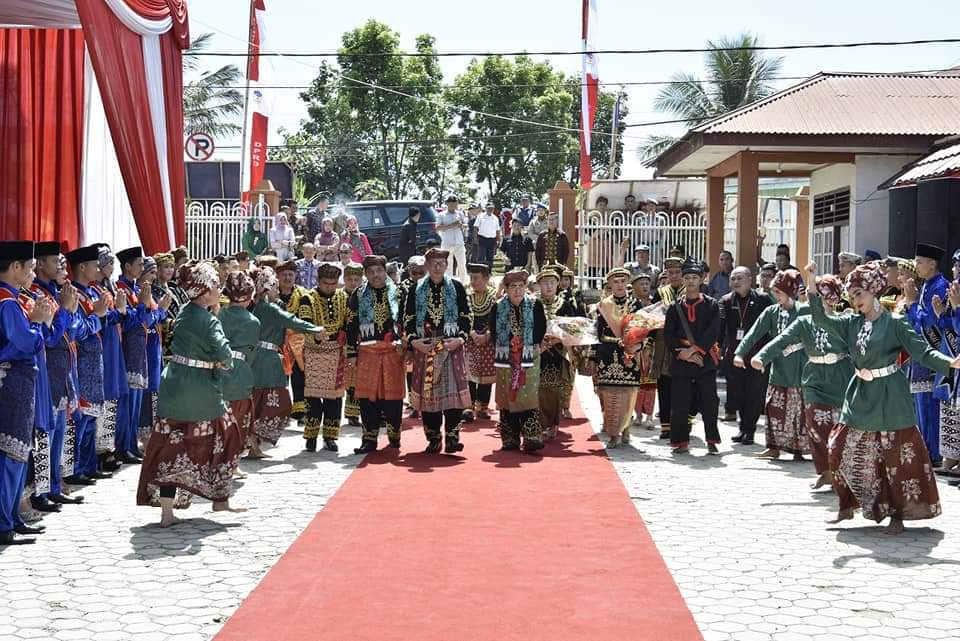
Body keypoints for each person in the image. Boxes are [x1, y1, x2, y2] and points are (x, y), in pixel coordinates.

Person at [804, 260, 959, 534]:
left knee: (895, 459)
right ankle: (846, 506)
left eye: (859, 295)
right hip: (860, 395)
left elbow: (922, 352)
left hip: (890, 396)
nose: (854, 301)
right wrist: (812, 281)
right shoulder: (851, 323)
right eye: (851, 297)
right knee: (838, 447)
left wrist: (950, 363)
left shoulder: (895, 323)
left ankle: (897, 513)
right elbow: (820, 319)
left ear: (874, 292)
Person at [136, 262, 245, 527]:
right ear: (205, 292)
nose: (220, 290)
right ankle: (220, 500)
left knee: (169, 448)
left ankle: (166, 513)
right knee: (228, 437)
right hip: (201, 391)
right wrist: (225, 362)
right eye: (216, 286)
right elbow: (224, 355)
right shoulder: (209, 321)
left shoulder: (184, 312)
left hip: (173, 386)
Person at [754, 274, 854, 488]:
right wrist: (761, 357)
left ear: (833, 298)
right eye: (815, 295)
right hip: (814, 379)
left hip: (839, 377)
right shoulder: (803, 322)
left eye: (823, 295)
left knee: (839, 427)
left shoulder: (845, 320)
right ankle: (825, 471)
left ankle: (841, 471)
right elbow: (781, 340)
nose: (816, 300)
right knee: (815, 423)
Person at [0, 241, 57, 545]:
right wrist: (38, 324)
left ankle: (12, 518)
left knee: (19, 452)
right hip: (12, 383)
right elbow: (23, 343)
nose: (33, 274)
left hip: (20, 383)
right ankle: (4, 522)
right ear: (15, 267)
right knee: (11, 453)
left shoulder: (14, 299)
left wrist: (39, 324)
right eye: (31, 267)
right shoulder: (7, 302)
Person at [28, 244, 84, 512]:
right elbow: (49, 337)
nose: (62, 266)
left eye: (63, 262)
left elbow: (71, 331)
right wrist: (64, 310)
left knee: (60, 433)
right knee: (45, 435)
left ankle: (54, 486)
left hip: (63, 373)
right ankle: (40, 492)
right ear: (39, 265)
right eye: (56, 262)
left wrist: (67, 311)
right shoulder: (36, 294)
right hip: (48, 374)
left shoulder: (54, 292)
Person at [734, 269, 809, 460]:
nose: (776, 296)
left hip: (799, 365)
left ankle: (798, 449)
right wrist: (740, 353)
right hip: (777, 365)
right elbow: (754, 333)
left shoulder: (803, 311)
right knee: (774, 406)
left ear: (790, 293)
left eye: (780, 292)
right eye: (775, 292)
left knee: (797, 408)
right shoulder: (771, 311)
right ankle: (774, 446)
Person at [248, 267, 323, 458]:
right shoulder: (270, 308)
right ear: (267, 289)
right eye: (274, 287)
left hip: (263, 356)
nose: (277, 291)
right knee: (277, 400)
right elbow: (292, 320)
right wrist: (315, 329)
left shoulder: (261, 306)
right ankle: (254, 440)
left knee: (259, 400)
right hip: (267, 358)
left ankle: (254, 443)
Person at [404, 248, 472, 454]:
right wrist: (414, 342)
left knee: (453, 395)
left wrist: (460, 338)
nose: (437, 267)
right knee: (428, 395)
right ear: (426, 266)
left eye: (442, 263)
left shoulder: (457, 287)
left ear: (447, 266)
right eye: (433, 263)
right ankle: (433, 438)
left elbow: (466, 317)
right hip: (425, 346)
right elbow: (407, 318)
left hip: (451, 345)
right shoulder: (416, 289)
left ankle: (452, 437)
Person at [347, 255, 407, 454]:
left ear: (385, 271)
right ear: (365, 274)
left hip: (393, 352)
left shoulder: (399, 292)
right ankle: (369, 440)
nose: (375, 275)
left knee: (393, 398)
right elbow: (351, 324)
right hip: (367, 353)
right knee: (368, 398)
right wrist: (351, 353)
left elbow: (408, 320)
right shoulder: (358, 294)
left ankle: (394, 437)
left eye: (379, 271)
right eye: (371, 272)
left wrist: (408, 346)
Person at [115, 247, 169, 465]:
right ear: (127, 266)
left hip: (141, 351)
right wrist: (145, 307)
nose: (141, 268)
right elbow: (133, 321)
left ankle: (130, 445)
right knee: (127, 404)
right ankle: (122, 446)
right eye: (139, 264)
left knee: (135, 404)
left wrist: (159, 310)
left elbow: (149, 318)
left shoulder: (136, 289)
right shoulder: (122, 290)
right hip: (130, 351)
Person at [62, 246, 110, 489]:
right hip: (81, 361)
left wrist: (106, 313)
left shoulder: (91, 292)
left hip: (94, 360)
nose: (97, 269)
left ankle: (88, 466)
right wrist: (98, 317)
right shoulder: (73, 294)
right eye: (93, 265)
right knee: (80, 419)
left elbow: (106, 318)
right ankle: (74, 469)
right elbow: (77, 331)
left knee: (91, 418)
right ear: (82, 267)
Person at [663, 259, 722, 455]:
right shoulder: (674, 307)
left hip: (704, 359)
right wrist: (686, 354)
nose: (690, 281)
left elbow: (713, 332)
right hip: (682, 360)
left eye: (694, 277)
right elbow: (669, 336)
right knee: (680, 401)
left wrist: (696, 350)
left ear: (701, 279)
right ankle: (680, 440)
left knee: (709, 401)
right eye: (686, 277)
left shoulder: (712, 305)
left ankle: (712, 439)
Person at [489, 269, 547, 452]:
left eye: (521, 286)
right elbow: (494, 332)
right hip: (506, 358)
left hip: (529, 357)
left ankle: (531, 436)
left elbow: (540, 327)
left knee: (528, 394)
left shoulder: (535, 305)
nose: (517, 291)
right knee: (508, 396)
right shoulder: (497, 307)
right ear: (506, 289)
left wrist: (530, 344)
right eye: (513, 287)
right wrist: (510, 344)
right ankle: (510, 437)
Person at [296, 263, 349, 453]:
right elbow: (305, 323)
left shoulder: (343, 297)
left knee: (334, 399)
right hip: (314, 353)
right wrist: (316, 335)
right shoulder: (307, 298)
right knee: (313, 397)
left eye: (334, 283)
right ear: (318, 281)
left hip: (336, 352)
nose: (330, 287)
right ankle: (310, 436)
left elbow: (348, 320)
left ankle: (330, 436)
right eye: (326, 283)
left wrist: (345, 334)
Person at [905, 243, 949, 465]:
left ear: (932, 264)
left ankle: (932, 453)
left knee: (929, 406)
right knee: (920, 405)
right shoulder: (926, 285)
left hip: (932, 353)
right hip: (921, 355)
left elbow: (930, 325)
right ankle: (926, 451)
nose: (916, 266)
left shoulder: (940, 287)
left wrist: (912, 303)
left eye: (920, 262)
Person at [718, 266, 773, 443]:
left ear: (750, 280)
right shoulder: (726, 301)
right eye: (733, 279)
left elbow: (771, 326)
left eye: (739, 278)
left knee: (754, 393)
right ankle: (742, 428)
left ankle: (750, 429)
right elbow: (720, 328)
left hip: (757, 355)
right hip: (734, 355)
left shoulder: (763, 299)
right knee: (737, 392)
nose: (735, 282)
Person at [594, 267, 643, 448]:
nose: (620, 285)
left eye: (623, 281)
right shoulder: (603, 305)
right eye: (616, 281)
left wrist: (633, 343)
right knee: (610, 395)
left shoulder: (636, 304)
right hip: (608, 355)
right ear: (610, 284)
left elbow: (642, 329)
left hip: (630, 355)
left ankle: (626, 428)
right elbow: (600, 334)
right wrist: (618, 340)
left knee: (629, 392)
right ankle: (613, 433)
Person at [92, 245, 127, 474]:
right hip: (103, 346)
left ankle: (108, 447)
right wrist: (120, 312)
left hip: (113, 344)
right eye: (108, 263)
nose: (112, 267)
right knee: (103, 398)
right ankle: (99, 452)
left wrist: (120, 312)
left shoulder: (108, 287)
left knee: (112, 397)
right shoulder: (95, 290)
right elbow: (101, 318)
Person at [218, 272, 260, 455]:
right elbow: (251, 354)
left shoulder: (218, 316)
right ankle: (233, 460)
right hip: (241, 372)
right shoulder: (253, 322)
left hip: (219, 370)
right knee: (239, 417)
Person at [537, 266, 578, 440]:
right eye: (545, 283)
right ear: (539, 284)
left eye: (552, 283)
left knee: (553, 390)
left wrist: (557, 340)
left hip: (558, 353)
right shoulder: (532, 303)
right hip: (536, 353)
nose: (549, 286)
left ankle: (553, 423)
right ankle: (538, 424)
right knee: (537, 390)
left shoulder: (565, 305)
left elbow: (573, 328)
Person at [650, 256, 685, 440]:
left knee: (683, 386)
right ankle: (665, 425)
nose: (674, 276)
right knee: (664, 384)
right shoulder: (661, 292)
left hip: (684, 343)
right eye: (670, 272)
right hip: (664, 344)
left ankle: (682, 422)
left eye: (677, 272)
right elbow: (651, 316)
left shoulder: (692, 290)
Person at [277, 261, 309, 422]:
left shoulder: (303, 294)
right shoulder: (272, 295)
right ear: (278, 277)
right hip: (277, 341)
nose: (287, 278)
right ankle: (281, 411)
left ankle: (300, 411)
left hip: (298, 342)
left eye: (290, 274)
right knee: (280, 379)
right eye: (284, 275)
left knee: (299, 377)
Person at [464, 264, 497, 422]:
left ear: (486, 279)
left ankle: (483, 407)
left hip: (488, 341)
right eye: (471, 278)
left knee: (486, 375)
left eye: (476, 278)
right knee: (470, 374)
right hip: (471, 340)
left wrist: (488, 335)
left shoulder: (494, 297)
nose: (473, 281)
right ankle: (468, 407)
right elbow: (463, 317)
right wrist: (471, 333)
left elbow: (497, 319)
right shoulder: (467, 296)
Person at [629, 273, 657, 428]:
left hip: (651, 346)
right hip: (635, 347)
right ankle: (637, 414)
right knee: (636, 381)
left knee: (651, 382)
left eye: (647, 283)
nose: (645, 286)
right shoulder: (631, 305)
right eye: (641, 284)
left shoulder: (656, 304)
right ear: (633, 288)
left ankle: (650, 415)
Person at [341, 263, 364, 426]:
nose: (353, 283)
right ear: (344, 279)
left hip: (363, 341)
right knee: (350, 379)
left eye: (357, 279)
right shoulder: (339, 297)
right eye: (350, 279)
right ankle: (351, 413)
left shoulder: (365, 296)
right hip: (344, 343)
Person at [436, 195, 468, 282]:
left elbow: (466, 226)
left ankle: (463, 284)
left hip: (459, 243)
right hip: (447, 242)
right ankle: (448, 284)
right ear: (447, 203)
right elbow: (437, 228)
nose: (453, 205)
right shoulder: (441, 215)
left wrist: (461, 225)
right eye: (451, 203)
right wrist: (451, 225)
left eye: (455, 203)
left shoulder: (460, 214)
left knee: (462, 264)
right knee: (448, 266)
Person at [474, 203, 501, 269]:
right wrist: (475, 238)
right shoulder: (480, 216)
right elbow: (476, 227)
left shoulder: (495, 218)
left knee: (490, 257)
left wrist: (499, 240)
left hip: (492, 240)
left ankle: (489, 272)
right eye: (489, 208)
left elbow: (497, 230)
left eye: (492, 208)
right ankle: (480, 271)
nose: (490, 210)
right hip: (482, 238)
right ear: (486, 208)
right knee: (481, 257)